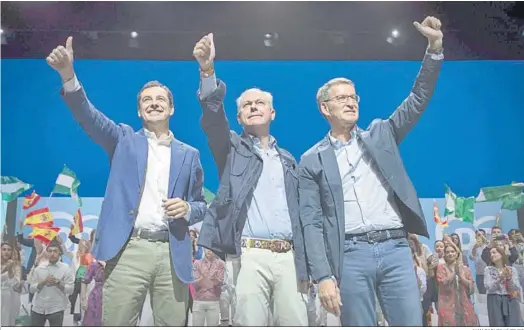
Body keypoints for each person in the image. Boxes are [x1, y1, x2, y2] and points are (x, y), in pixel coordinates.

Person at [45, 36, 208, 326]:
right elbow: (89, 117)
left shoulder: (190, 155)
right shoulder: (122, 140)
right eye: (147, 100)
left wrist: (187, 208)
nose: (154, 104)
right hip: (128, 250)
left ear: (171, 109)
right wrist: (68, 76)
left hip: (173, 252)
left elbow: (200, 204)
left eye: (160, 100)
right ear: (138, 110)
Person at [297, 16, 444, 326]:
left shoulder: (381, 134)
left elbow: (417, 100)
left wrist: (434, 48)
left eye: (354, 97)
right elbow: (311, 223)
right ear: (325, 108)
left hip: (395, 249)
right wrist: (323, 275)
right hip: (350, 256)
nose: (351, 102)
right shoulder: (311, 160)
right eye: (342, 98)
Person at [193, 33, 309, 326]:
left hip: (289, 256)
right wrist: (207, 72)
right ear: (240, 117)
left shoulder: (289, 161)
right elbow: (213, 120)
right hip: (249, 256)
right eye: (247, 105)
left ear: (272, 112)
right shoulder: (230, 149)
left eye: (260, 103)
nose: (254, 107)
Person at [29, 241, 75, 327]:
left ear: (60, 253)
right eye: (50, 251)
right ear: (47, 252)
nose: (52, 254)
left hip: (56, 308)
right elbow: (31, 289)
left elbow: (71, 290)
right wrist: (43, 282)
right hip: (38, 307)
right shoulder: (40, 267)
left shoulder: (66, 268)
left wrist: (58, 283)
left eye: (55, 251)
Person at [436, 242, 478, 326]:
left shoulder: (465, 269)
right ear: (444, 255)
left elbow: (471, 288)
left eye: (452, 251)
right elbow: (442, 284)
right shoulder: (441, 268)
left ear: (456, 254)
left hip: (464, 305)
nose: (450, 254)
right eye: (447, 252)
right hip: (447, 306)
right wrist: (454, 272)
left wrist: (461, 276)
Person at [484, 245, 523, 326]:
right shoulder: (488, 269)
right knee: (497, 324)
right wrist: (500, 279)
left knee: (514, 323)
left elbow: (516, 289)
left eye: (494, 252)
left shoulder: (512, 269)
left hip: (511, 299)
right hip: (494, 299)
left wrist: (509, 278)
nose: (492, 255)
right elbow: (489, 287)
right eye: (490, 254)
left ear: (502, 254)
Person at [192, 248, 225, 326]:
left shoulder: (220, 264)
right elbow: (195, 284)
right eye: (207, 248)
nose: (209, 250)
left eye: (211, 248)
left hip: (213, 301)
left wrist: (213, 279)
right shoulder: (197, 263)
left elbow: (219, 283)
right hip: (198, 301)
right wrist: (204, 277)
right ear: (203, 249)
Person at [1, 241, 22, 326]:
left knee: (7, 320)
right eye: (4, 249)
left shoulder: (16, 266)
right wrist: (4, 270)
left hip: (9, 297)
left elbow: (15, 284)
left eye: (9, 250)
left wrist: (9, 270)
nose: (6, 252)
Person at [81, 260, 105, 327]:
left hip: (113, 299)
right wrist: (83, 300)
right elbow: (84, 281)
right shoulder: (95, 265)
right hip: (96, 299)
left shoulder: (117, 265)